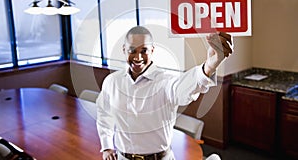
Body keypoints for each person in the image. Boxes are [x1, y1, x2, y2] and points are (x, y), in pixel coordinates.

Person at [96, 26, 233, 160]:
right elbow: (104, 114)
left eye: (144, 50)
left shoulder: (166, 81)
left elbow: (186, 86)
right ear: (124, 50)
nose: (138, 57)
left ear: (152, 50)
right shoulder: (111, 82)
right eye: (132, 50)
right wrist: (107, 146)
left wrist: (209, 65)